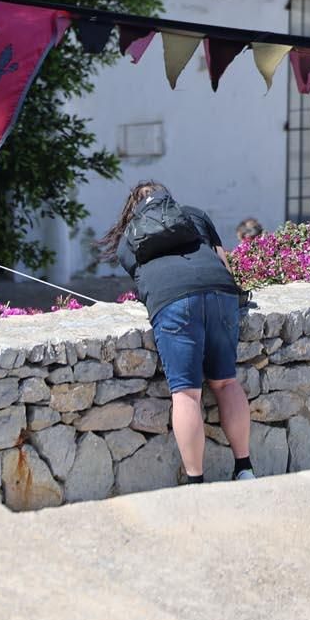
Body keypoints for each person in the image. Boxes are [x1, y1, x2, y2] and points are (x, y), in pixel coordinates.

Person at [100, 182, 254, 484]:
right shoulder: (193, 215)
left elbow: (143, 280)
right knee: (225, 383)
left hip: (173, 301)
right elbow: (223, 261)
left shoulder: (129, 236)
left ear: (133, 207)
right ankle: (244, 468)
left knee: (186, 394)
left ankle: (196, 482)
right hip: (220, 293)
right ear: (168, 198)